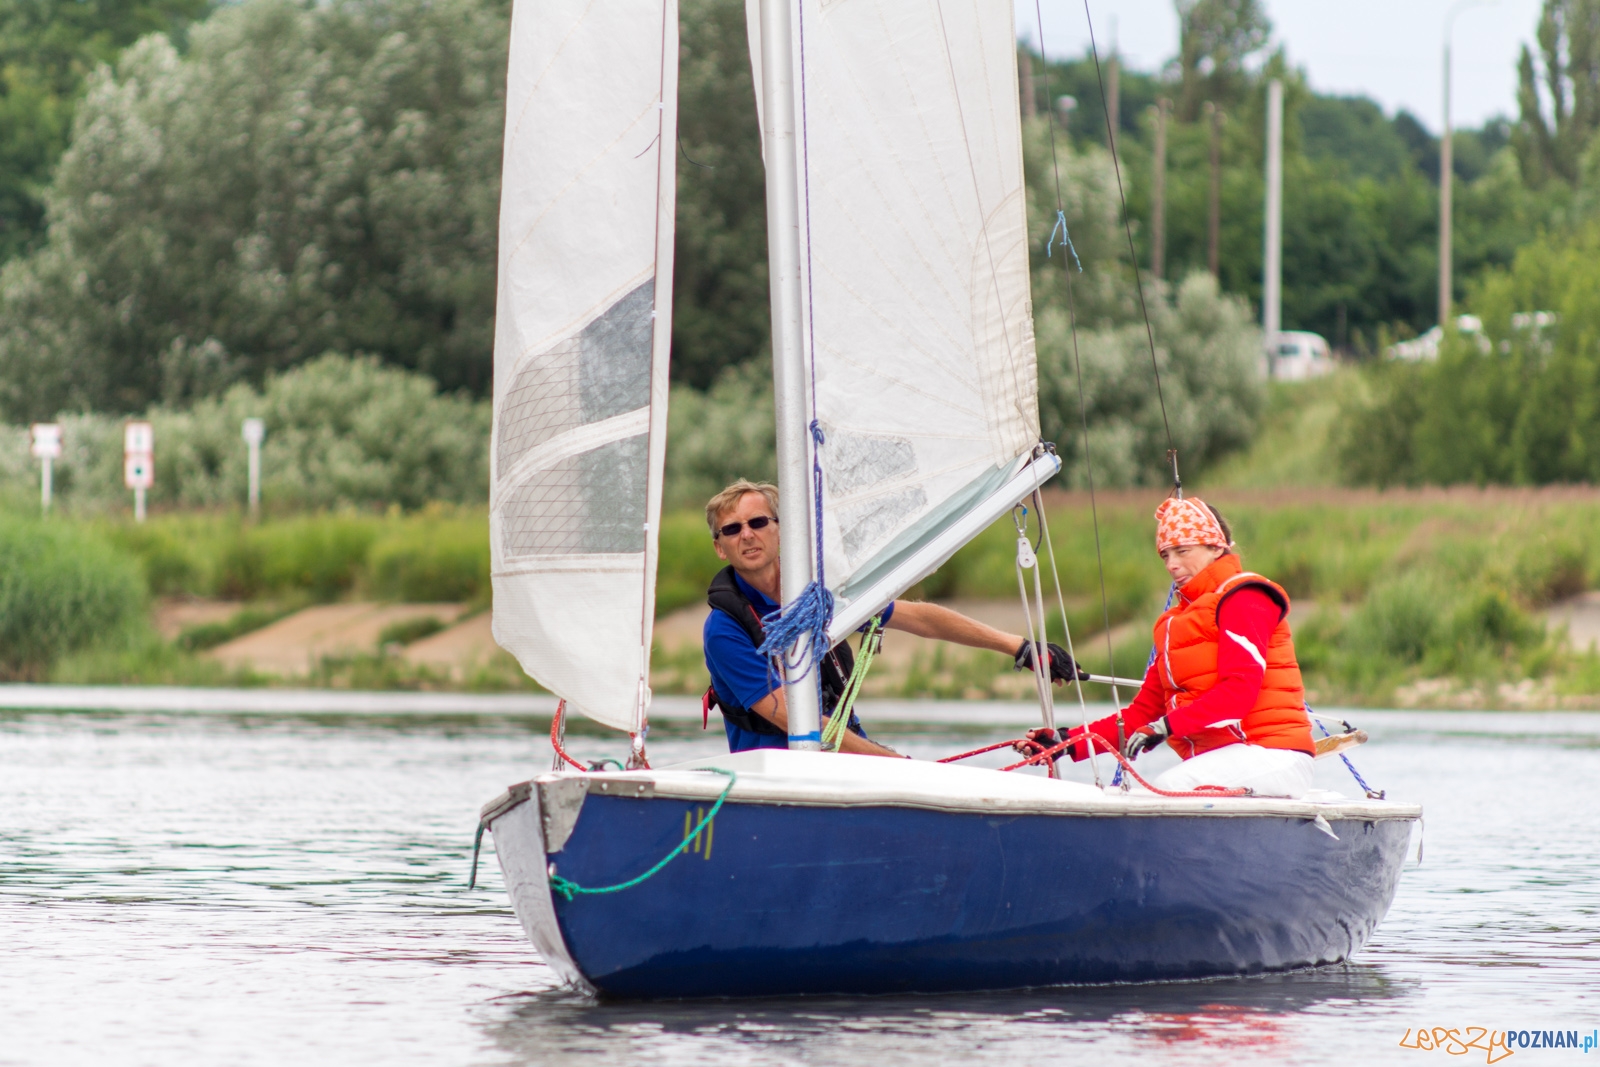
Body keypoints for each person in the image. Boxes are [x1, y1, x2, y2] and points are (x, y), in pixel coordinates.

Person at [701, 479, 1085, 755]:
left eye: (757, 522)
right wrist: (894, 763)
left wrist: (1020, 647)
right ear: (719, 548)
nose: (747, 535)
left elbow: (921, 619)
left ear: (779, 529)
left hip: (847, 760)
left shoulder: (819, 594)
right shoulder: (724, 629)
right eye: (732, 530)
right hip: (777, 776)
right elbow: (798, 722)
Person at [1058, 495, 1317, 797]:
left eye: (1182, 551)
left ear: (1216, 547)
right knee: (1133, 795)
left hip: (1274, 754)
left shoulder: (1244, 596)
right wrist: (1065, 742)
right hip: (1228, 761)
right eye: (1165, 555)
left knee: (1168, 788)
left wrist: (1166, 727)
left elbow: (1238, 693)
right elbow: (1142, 715)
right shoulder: (1175, 624)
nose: (1172, 565)